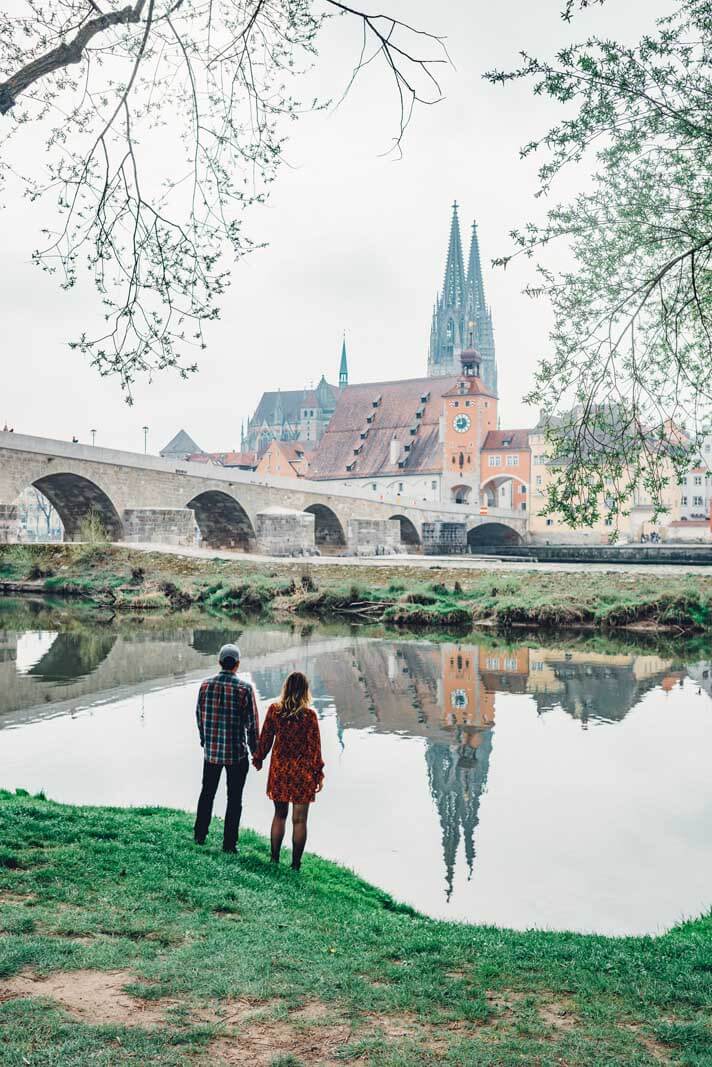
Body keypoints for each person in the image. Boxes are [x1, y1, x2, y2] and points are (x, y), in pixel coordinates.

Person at [252, 671, 324, 871]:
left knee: (279, 815)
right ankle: (295, 865)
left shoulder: (275, 711)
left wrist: (258, 758)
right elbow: (314, 748)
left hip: (280, 771)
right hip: (302, 773)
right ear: (305, 691)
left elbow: (265, 739)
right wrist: (318, 774)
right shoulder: (309, 716)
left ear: (286, 688)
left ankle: (274, 859)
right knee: (299, 820)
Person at [194, 643, 259, 853]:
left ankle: (200, 835)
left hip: (211, 753)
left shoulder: (205, 686)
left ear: (219, 662)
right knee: (234, 799)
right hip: (236, 754)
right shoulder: (245, 689)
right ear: (237, 664)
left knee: (207, 793)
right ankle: (229, 844)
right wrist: (255, 752)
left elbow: (199, 717)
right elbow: (252, 725)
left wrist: (205, 741)